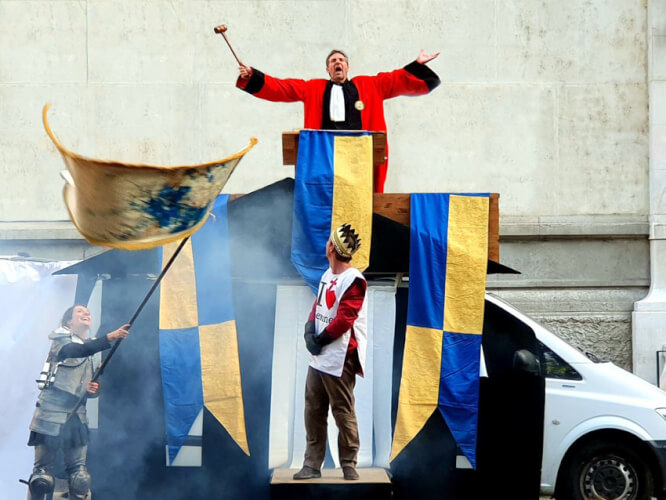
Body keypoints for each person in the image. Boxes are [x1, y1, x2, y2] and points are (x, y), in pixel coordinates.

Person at [235, 48, 441, 193]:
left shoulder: (370, 85)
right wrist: (252, 76)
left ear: (348, 67)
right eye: (333, 61)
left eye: (341, 60)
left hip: (360, 160)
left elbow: (396, 79)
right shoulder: (313, 88)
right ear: (328, 70)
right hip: (326, 159)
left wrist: (418, 65)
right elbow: (282, 88)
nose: (337, 63)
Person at [26, 305, 130, 500]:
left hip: (76, 414)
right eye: (80, 312)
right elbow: (77, 350)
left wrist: (94, 389)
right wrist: (110, 337)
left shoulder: (90, 347)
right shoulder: (60, 339)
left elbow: (91, 384)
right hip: (51, 411)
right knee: (42, 478)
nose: (86, 314)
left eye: (87, 312)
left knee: (80, 478)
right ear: (69, 322)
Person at [293, 223, 367, 481]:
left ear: (332, 248)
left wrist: (321, 339)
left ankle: (349, 463)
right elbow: (319, 304)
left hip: (340, 356)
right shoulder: (328, 275)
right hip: (320, 357)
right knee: (313, 409)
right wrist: (308, 330)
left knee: (342, 410)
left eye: (328, 241)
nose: (326, 244)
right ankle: (312, 464)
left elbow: (346, 317)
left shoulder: (354, 280)